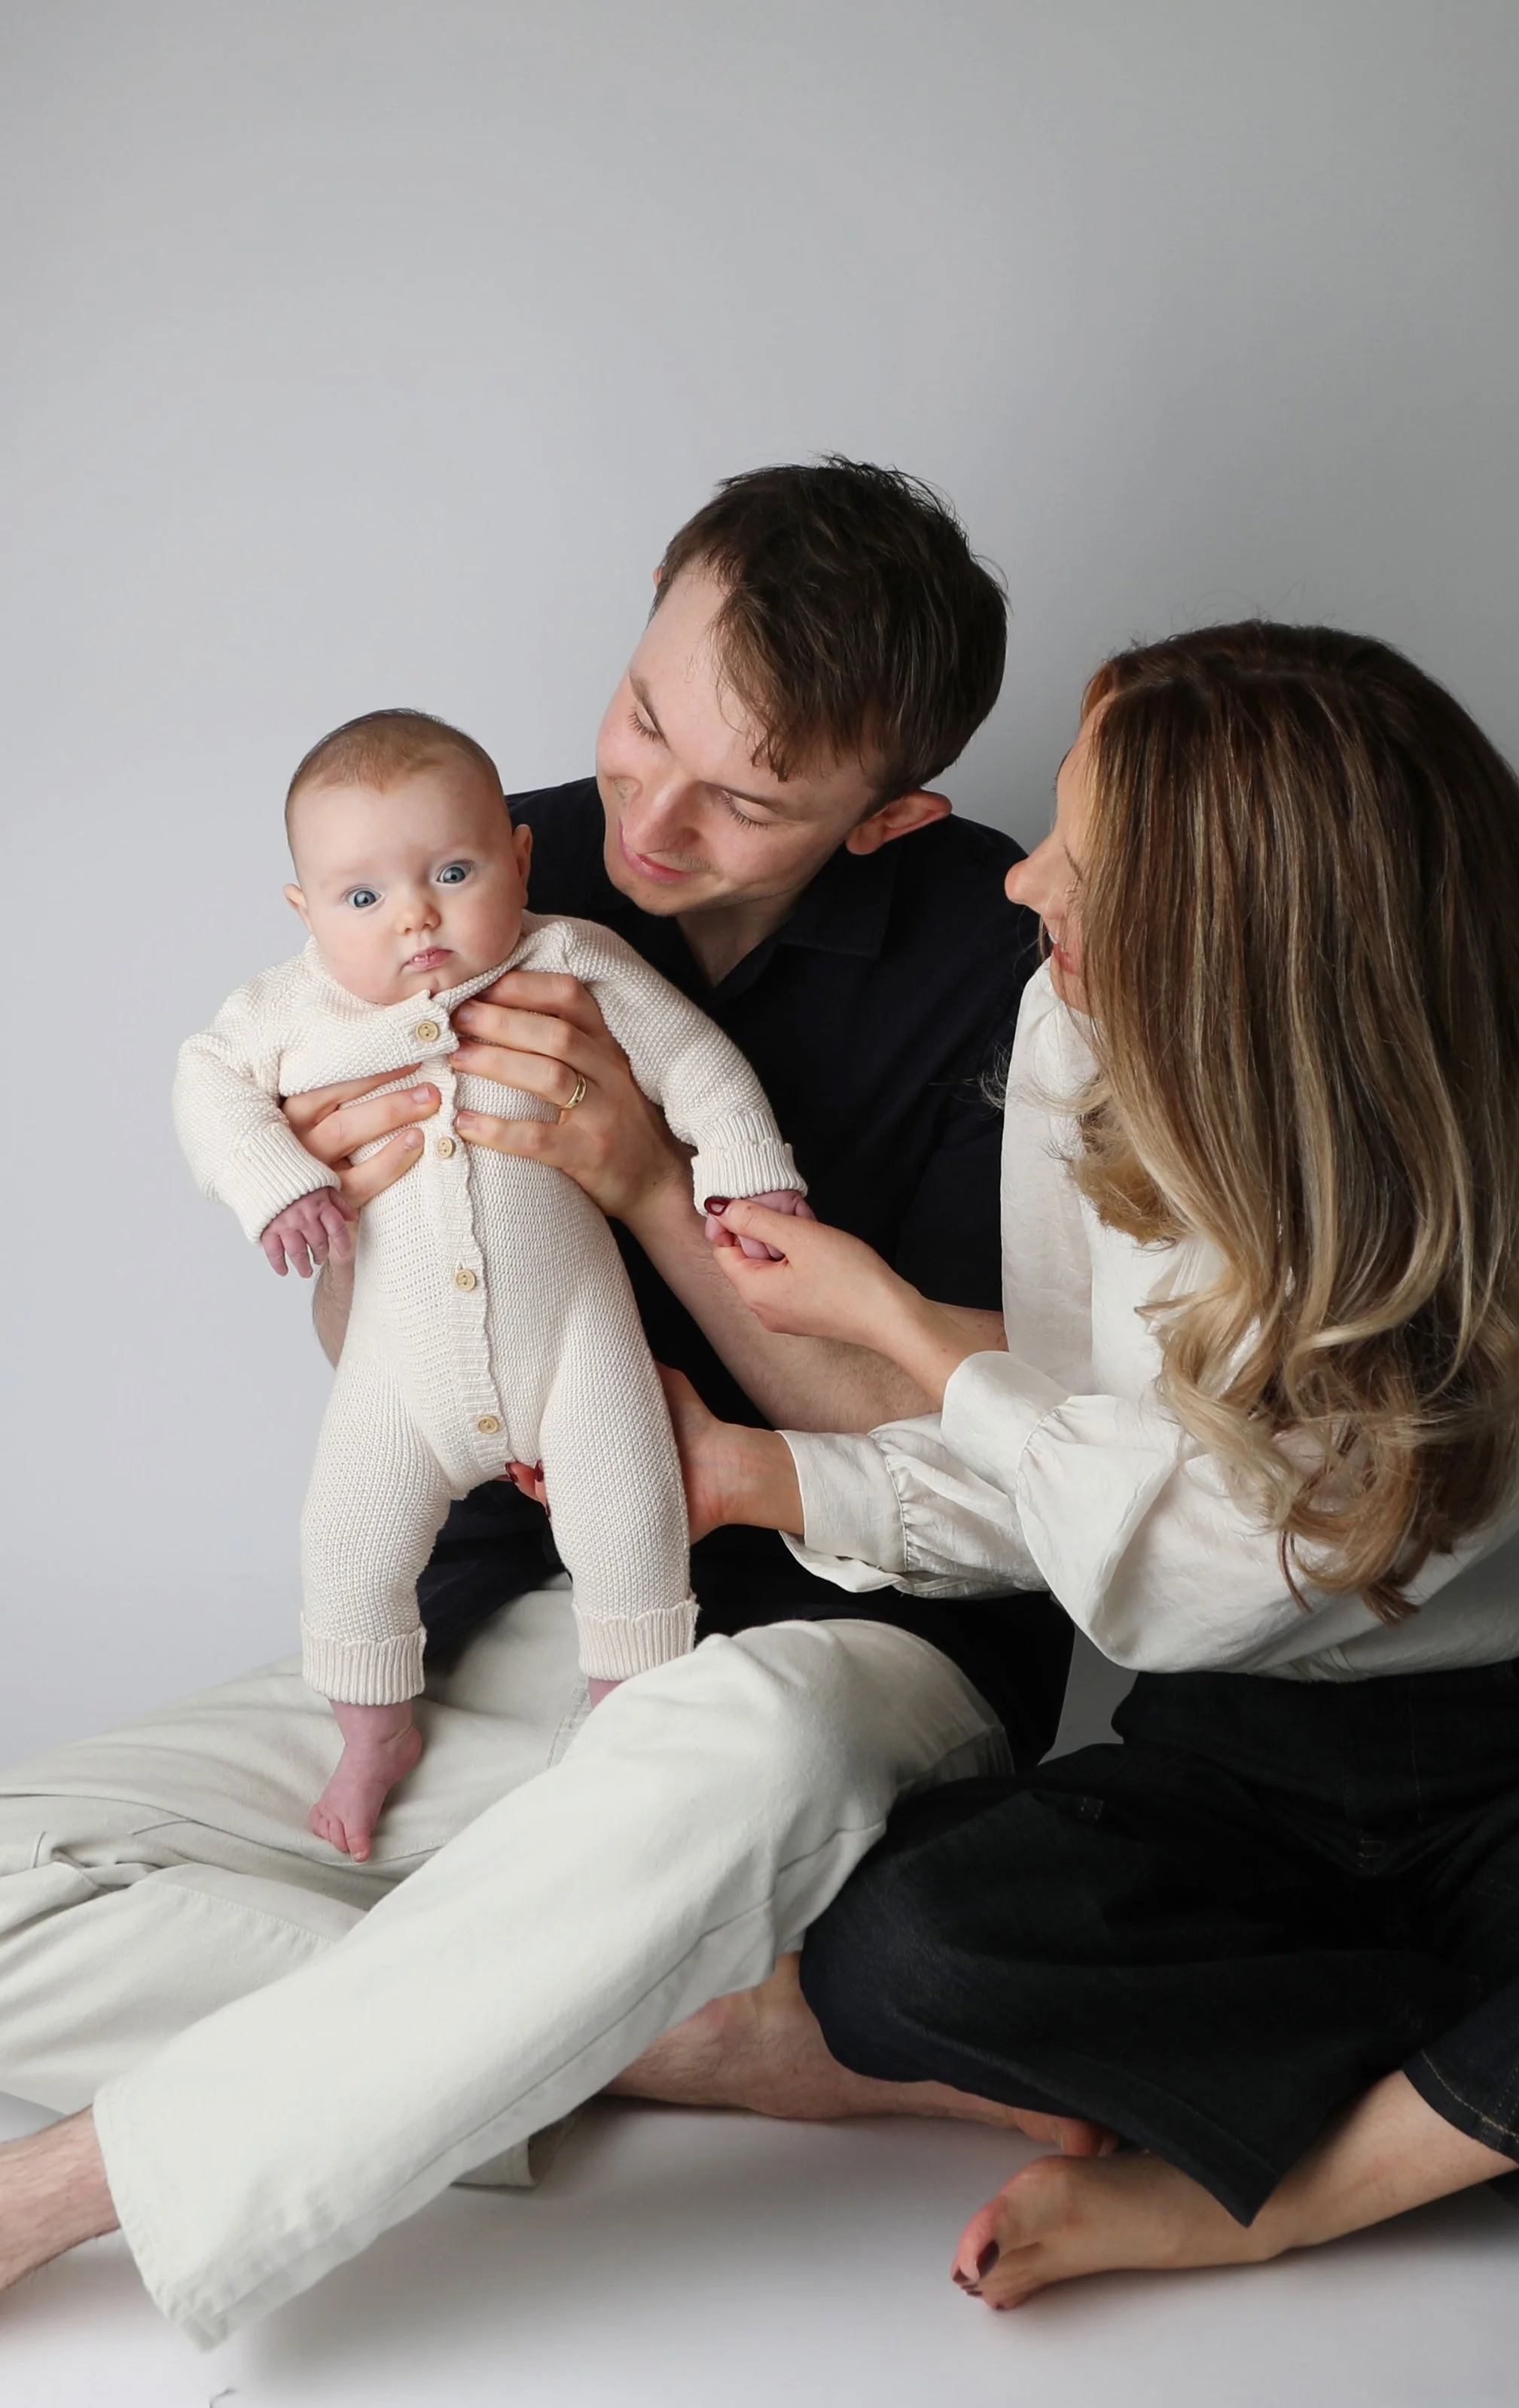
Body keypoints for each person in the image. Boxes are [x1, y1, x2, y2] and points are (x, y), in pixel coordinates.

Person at [667, 622, 1519, 2348]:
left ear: (1241, 916)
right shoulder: (1081, 1032)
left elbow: (1253, 1549)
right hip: (1238, 1765)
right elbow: (1096, 1484)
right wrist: (763, 1478)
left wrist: (911, 1336)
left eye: (1082, 850)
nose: (1025, 881)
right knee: (909, 1947)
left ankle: (1292, 2179)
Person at [0, 461, 1083, 2337]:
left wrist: (654, 1186)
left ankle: (64, 2191)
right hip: (509, 1612)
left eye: (748, 800)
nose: (644, 818)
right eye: (643, 718)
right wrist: (344, 1221)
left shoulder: (1010, 974)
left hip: (839, 1632)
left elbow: (983, 1457)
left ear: (887, 807)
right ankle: (655, 2026)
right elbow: (406, 1363)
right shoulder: (479, 860)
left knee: (744, 1753)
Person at [176, 706, 807, 1858]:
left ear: (519, 859)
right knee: (347, 1550)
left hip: (573, 1342)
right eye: (361, 897)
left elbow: (699, 1064)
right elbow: (206, 1083)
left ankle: (629, 1717)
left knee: (633, 1515)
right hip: (396, 1376)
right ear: (306, 911)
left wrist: (750, 1177)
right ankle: (373, 1736)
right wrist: (276, 1181)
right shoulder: (285, 1012)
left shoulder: (570, 959)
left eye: (453, 871)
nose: (414, 914)